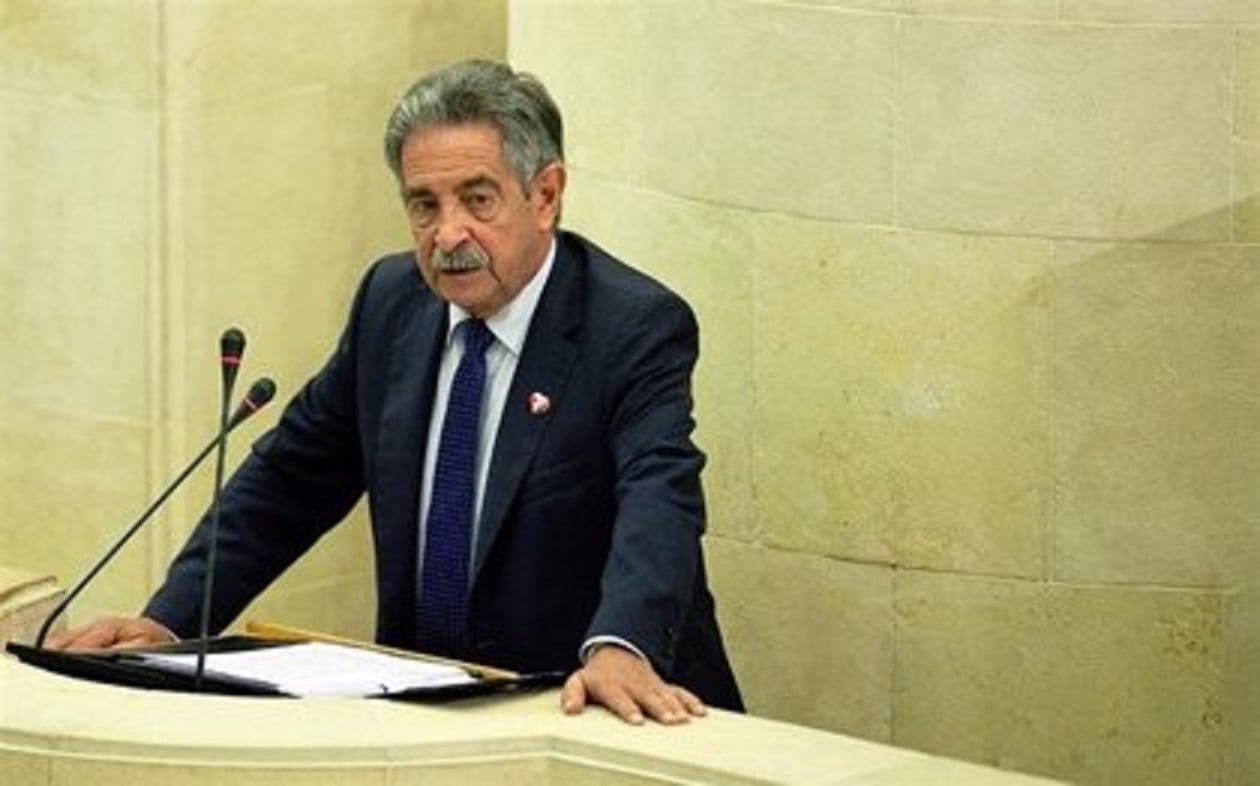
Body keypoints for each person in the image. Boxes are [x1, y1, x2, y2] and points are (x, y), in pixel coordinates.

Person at [48, 59, 742, 725]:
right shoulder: (392, 302)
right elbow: (290, 481)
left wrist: (622, 644)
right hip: (426, 717)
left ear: (546, 195)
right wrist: (170, 620)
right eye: (423, 204)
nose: (448, 234)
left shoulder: (631, 325)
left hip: (593, 712)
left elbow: (659, 496)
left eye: (477, 199)